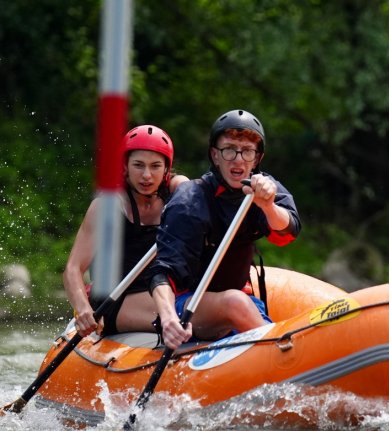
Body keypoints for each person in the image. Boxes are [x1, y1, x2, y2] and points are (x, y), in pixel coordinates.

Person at [147, 109, 301, 350]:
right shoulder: (190, 200)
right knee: (235, 302)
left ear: (257, 158)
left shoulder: (264, 189)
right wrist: (168, 319)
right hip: (188, 306)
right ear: (215, 155)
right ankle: (279, 355)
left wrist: (268, 206)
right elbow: (162, 274)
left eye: (247, 151)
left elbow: (286, 234)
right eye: (229, 149)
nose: (238, 159)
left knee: (239, 301)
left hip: (241, 299)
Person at [64, 125, 189, 337]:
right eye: (138, 165)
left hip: (163, 291)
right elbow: (73, 269)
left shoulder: (177, 191)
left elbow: (195, 191)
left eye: (155, 166)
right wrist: (83, 308)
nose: (147, 175)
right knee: (188, 313)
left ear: (166, 169)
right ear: (125, 167)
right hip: (114, 300)